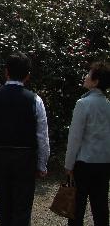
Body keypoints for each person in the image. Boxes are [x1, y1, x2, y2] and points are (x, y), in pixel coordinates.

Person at [0, 52, 50, 226]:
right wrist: (42, 164)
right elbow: (42, 136)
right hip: (26, 158)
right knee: (22, 206)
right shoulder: (35, 100)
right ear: (27, 76)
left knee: (4, 204)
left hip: (1, 156)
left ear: (6, 71)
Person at [65, 61, 110, 226]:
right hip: (104, 162)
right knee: (101, 207)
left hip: (84, 163)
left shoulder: (83, 104)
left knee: (77, 209)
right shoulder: (107, 105)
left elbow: (75, 137)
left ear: (96, 81)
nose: (85, 76)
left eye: (89, 74)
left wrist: (68, 164)